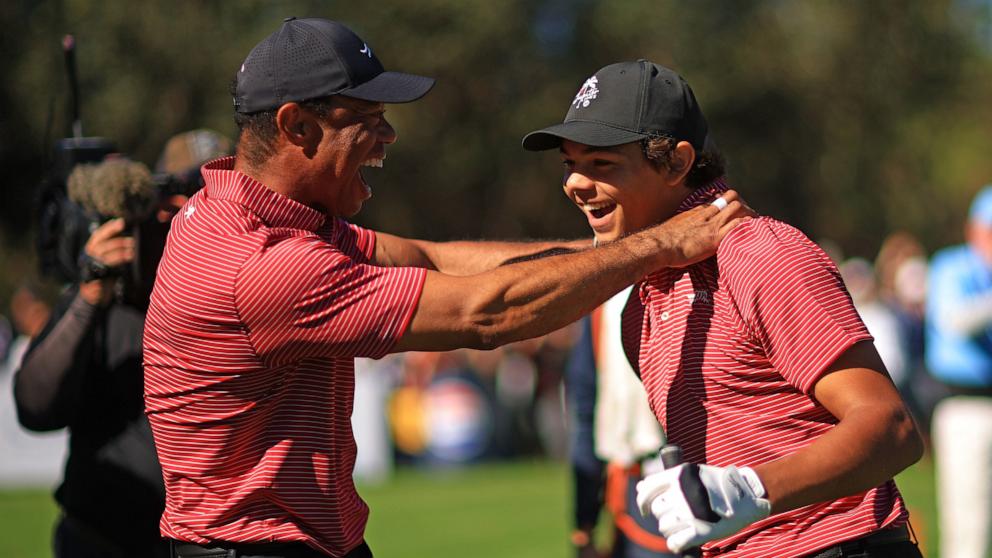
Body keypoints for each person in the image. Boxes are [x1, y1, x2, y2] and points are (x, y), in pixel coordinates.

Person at [142, 18, 749, 558]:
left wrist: (623, 245)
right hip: (257, 547)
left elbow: (436, 258)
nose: (389, 138)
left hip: (293, 540)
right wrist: (663, 245)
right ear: (295, 125)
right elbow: (486, 313)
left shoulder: (257, 217)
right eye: (369, 120)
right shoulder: (265, 264)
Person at [522, 60, 924, 557]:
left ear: (676, 162)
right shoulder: (640, 301)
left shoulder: (757, 252)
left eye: (601, 163)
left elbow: (891, 429)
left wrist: (753, 488)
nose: (574, 184)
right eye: (569, 163)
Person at [14, 133, 229, 558]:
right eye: (178, 201)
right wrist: (90, 291)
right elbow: (36, 407)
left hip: (208, 546)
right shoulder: (108, 292)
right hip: (103, 540)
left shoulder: (243, 288)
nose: (191, 216)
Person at [565, 286, 675, 558]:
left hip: (656, 479)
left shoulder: (608, 300)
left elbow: (586, 414)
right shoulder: (607, 304)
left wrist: (584, 524)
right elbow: (586, 411)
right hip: (647, 481)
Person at [925, 184, 992, 558]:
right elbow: (955, 321)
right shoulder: (951, 266)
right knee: (969, 524)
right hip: (965, 405)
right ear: (973, 230)